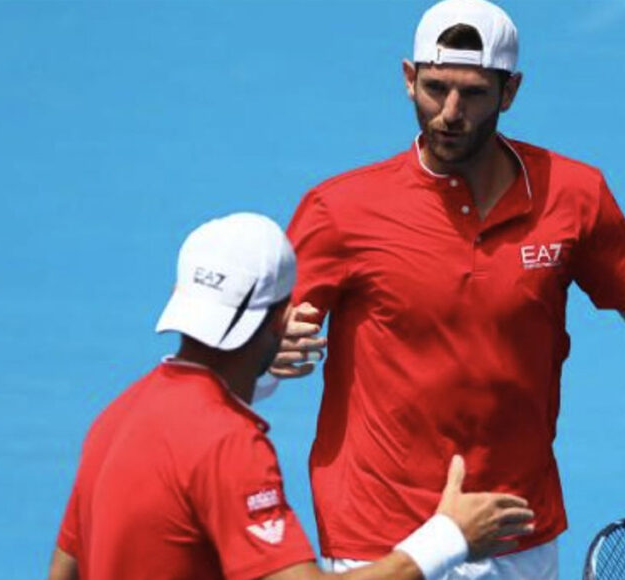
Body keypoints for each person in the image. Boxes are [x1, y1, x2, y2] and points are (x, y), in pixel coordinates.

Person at [270, 0, 625, 578]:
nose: (449, 113)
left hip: (518, 537)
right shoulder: (340, 211)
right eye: (434, 88)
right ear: (408, 79)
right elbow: (242, 352)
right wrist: (268, 354)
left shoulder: (574, 196)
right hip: (379, 536)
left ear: (510, 92)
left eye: (473, 92)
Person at [46, 212, 535, 580]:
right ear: (283, 319)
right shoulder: (226, 443)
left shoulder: (115, 417)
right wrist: (448, 538)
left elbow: (64, 570)